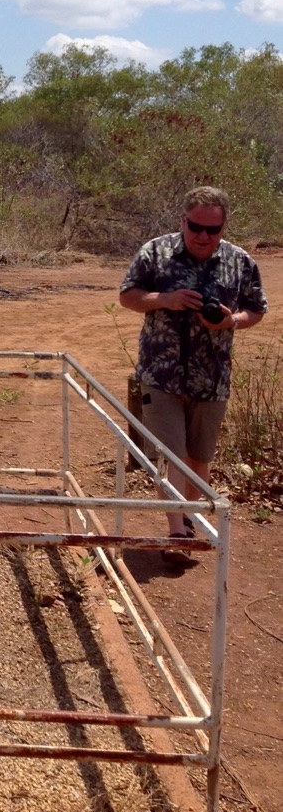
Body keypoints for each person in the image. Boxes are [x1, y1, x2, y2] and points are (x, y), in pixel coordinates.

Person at [119, 186, 267, 566]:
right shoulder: (156, 252)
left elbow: (256, 309)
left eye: (212, 229)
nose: (203, 236)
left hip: (212, 377)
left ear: (224, 226)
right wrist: (165, 299)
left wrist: (231, 321)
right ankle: (176, 533)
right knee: (173, 455)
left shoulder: (240, 261)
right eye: (196, 227)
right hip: (161, 375)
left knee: (199, 458)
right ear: (182, 220)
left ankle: (185, 519)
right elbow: (128, 295)